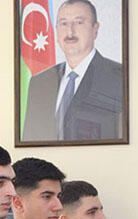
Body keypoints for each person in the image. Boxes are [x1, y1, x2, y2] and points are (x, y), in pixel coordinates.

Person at [22, 0, 123, 142]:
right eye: (63, 23)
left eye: (79, 22)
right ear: (56, 29)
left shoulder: (118, 77)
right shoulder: (39, 82)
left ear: (95, 29)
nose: (70, 32)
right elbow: (31, 139)